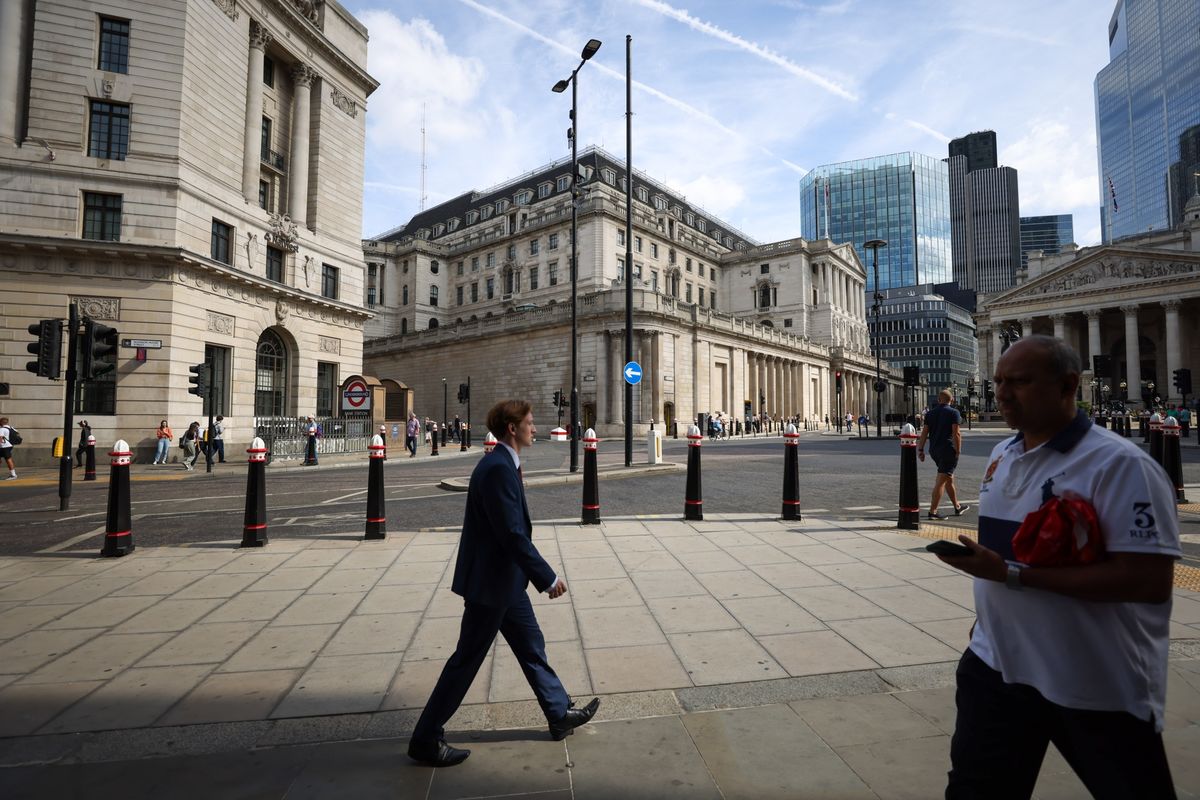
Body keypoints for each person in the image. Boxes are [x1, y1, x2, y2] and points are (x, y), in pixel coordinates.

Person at [933, 336, 1179, 799]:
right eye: (999, 381)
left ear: (1068, 386)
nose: (1002, 393)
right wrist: (988, 619)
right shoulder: (1002, 455)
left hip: (1091, 676)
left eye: (1019, 382)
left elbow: (1146, 581)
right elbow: (1005, 553)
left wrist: (1010, 577)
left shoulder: (1121, 465)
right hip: (996, 667)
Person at [408, 399, 599, 767]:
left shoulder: (502, 463)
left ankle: (558, 713)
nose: (535, 428)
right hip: (491, 585)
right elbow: (511, 533)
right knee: (466, 661)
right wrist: (547, 577)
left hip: (505, 582)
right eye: (529, 422)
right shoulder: (497, 468)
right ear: (512, 428)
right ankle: (425, 738)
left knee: (531, 646)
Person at [917, 389, 969, 520]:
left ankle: (957, 506)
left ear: (938, 400)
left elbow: (924, 433)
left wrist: (920, 449)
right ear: (952, 400)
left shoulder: (930, 414)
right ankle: (933, 512)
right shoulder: (954, 412)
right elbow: (956, 433)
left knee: (948, 477)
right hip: (948, 450)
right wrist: (958, 450)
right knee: (941, 481)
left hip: (934, 450)